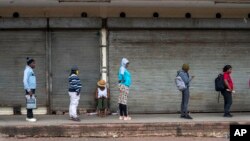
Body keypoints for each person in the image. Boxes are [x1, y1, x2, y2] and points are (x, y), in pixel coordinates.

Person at [23, 57, 37, 122]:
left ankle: (30, 116)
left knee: (31, 103)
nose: (35, 64)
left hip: (32, 89)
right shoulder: (27, 70)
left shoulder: (30, 70)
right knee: (29, 103)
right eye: (33, 63)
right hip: (30, 90)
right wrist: (29, 90)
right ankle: (29, 117)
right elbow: (24, 81)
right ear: (30, 63)